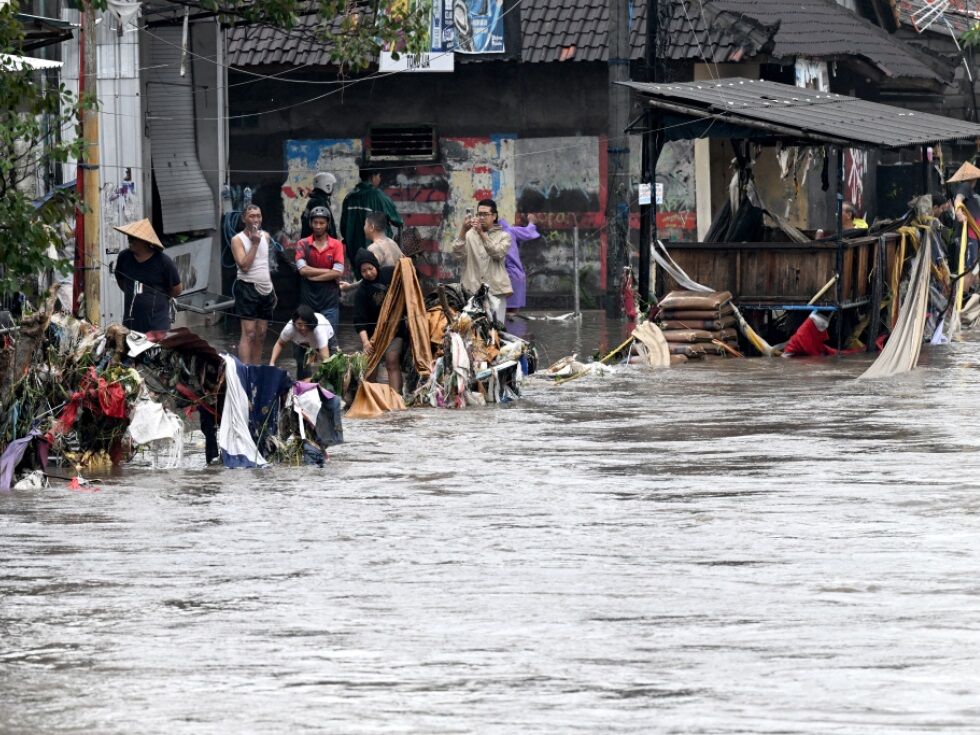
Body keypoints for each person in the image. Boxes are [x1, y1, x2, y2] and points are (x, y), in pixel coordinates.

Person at [113, 218, 182, 332]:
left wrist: (156, 297)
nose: (130, 240)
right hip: (130, 324)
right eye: (129, 237)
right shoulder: (124, 257)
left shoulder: (164, 262)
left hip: (156, 325)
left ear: (146, 242)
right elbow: (120, 279)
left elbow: (177, 289)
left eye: (134, 238)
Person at [451, 198, 512, 323]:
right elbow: (457, 255)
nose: (481, 217)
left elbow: (497, 253)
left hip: (496, 290)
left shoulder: (504, 236)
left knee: (497, 329)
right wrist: (463, 230)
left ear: (494, 216)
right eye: (479, 214)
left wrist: (482, 234)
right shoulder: (468, 235)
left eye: (485, 214)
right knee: (474, 331)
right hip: (471, 290)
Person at [352, 249, 404, 395]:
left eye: (370, 268)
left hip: (395, 328)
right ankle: (373, 397)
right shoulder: (362, 292)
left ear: (376, 265)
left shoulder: (389, 273)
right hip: (373, 334)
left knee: (391, 360)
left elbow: (408, 276)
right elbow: (359, 319)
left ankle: (396, 396)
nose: (368, 273)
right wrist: (366, 342)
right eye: (364, 271)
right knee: (371, 365)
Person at [295, 206, 344, 354]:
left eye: (321, 223)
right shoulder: (302, 244)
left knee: (330, 342)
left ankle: (330, 376)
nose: (318, 226)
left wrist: (312, 276)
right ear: (310, 223)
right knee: (303, 344)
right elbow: (302, 270)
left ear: (327, 224)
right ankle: (303, 377)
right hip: (307, 301)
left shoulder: (336, 244)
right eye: (315, 222)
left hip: (329, 301)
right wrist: (329, 272)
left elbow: (338, 272)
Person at [231, 204, 276, 364]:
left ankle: (256, 368)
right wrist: (255, 244)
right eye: (252, 216)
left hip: (265, 288)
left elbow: (264, 264)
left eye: (258, 215)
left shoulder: (266, 236)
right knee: (249, 332)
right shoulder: (237, 239)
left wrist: (271, 288)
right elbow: (244, 265)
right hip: (247, 287)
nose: (256, 219)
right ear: (244, 219)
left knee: (262, 333)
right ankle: (245, 369)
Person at [339, 166, 404, 266]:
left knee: (362, 276)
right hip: (377, 249)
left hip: (353, 250)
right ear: (373, 177)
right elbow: (398, 221)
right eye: (379, 176)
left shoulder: (349, 197)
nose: (380, 178)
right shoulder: (378, 196)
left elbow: (343, 227)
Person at [269, 304, 333, 374]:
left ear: (311, 323)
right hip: (301, 344)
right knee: (303, 368)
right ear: (294, 323)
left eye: (306, 324)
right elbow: (280, 343)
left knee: (333, 367)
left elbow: (325, 359)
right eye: (299, 324)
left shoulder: (319, 330)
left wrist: (318, 376)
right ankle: (304, 382)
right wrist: (272, 363)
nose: (303, 328)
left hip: (326, 339)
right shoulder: (289, 328)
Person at [497, 213, 539, 315]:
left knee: (503, 313)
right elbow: (528, 232)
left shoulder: (491, 234)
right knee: (511, 313)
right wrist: (531, 222)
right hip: (515, 276)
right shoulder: (511, 230)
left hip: (505, 276)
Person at [949, 161, 980, 276]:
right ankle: (964, 292)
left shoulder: (973, 192)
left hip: (974, 234)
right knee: (970, 268)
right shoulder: (965, 186)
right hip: (968, 234)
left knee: (974, 266)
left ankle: (971, 291)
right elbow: (958, 200)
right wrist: (959, 213)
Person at [300, 171, 337, 239]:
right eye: (332, 185)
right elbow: (323, 228)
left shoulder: (314, 200)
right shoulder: (319, 202)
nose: (333, 188)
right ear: (327, 186)